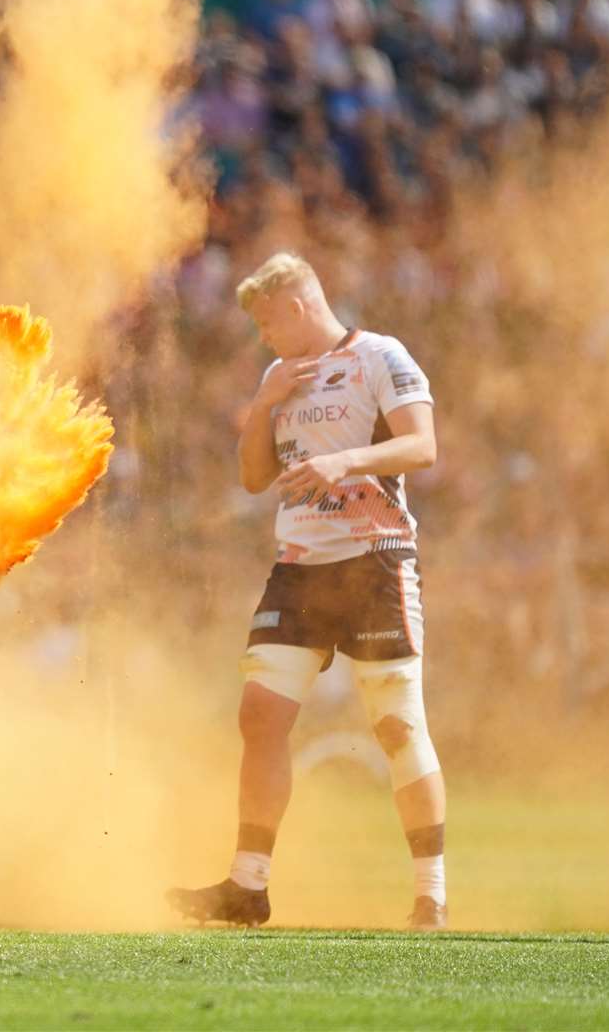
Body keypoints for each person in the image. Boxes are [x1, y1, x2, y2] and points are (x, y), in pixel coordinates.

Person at [167, 252, 447, 930]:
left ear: (296, 308)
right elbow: (254, 478)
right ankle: (247, 886)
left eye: (267, 323)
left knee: (396, 723)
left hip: (375, 559)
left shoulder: (381, 356)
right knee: (260, 715)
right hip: (299, 564)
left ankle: (429, 896)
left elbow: (422, 447)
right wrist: (263, 405)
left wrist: (344, 460)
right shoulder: (276, 376)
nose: (265, 338)